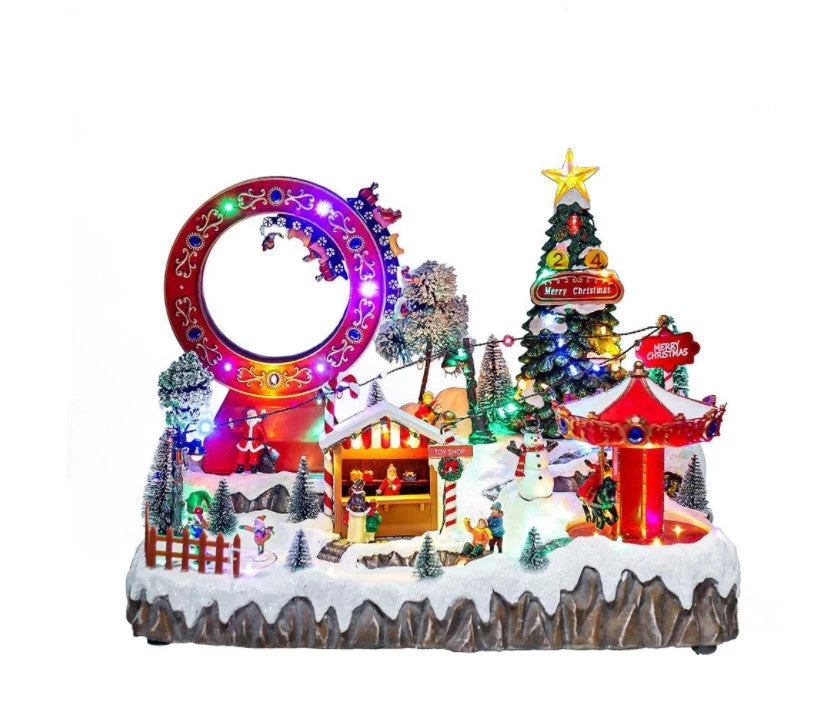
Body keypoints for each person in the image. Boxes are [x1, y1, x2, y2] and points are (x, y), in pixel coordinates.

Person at [230, 409, 268, 474]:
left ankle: (253, 467)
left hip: (254, 443)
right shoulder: (245, 424)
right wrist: (232, 427)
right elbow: (239, 430)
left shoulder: (258, 424)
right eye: (249, 415)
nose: (251, 416)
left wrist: (265, 441)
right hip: (244, 442)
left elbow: (263, 433)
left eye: (252, 414)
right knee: (241, 455)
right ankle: (240, 467)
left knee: (253, 455)